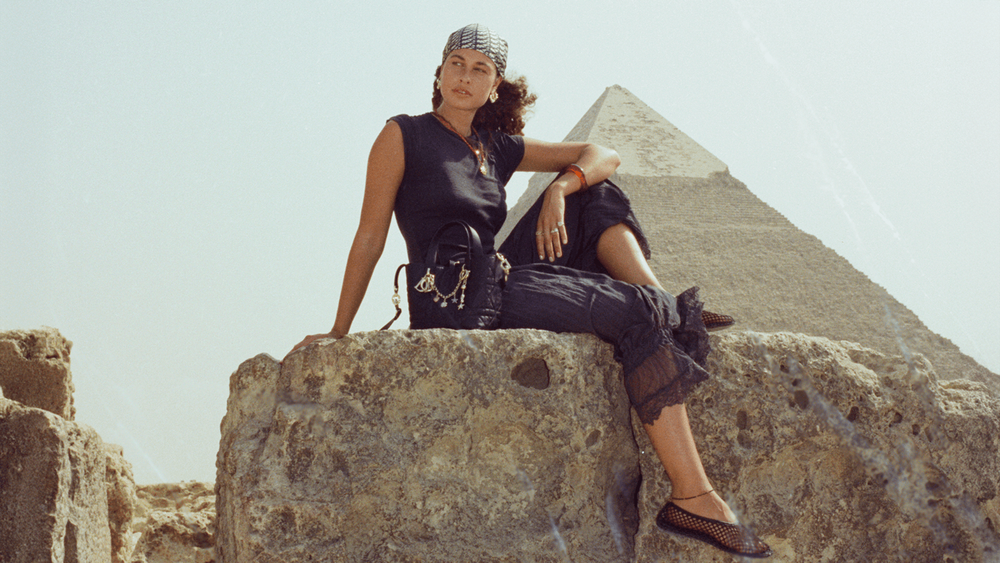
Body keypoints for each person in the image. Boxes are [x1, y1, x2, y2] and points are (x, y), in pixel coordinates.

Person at [291, 24, 771, 559]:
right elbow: (370, 234)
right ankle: (692, 496)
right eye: (456, 63)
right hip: (455, 297)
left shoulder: (494, 146)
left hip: (496, 276)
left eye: (480, 69)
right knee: (633, 314)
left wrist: (561, 187)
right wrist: (339, 328)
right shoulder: (403, 134)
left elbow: (603, 152)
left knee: (595, 193)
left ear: (494, 85)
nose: (465, 76)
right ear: (439, 72)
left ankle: (668, 308)